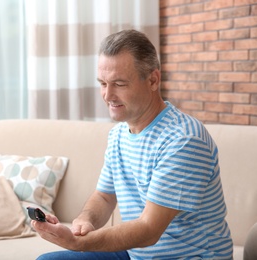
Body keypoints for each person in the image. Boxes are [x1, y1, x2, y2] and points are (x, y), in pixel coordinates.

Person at [32, 29, 233, 259]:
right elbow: (105, 196)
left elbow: (148, 230)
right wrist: (84, 222)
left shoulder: (183, 140)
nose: (108, 95)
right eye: (103, 83)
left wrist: (77, 244)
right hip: (136, 254)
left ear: (153, 80)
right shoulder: (118, 135)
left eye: (119, 83)